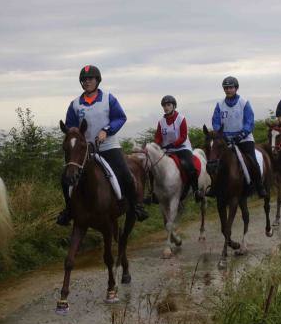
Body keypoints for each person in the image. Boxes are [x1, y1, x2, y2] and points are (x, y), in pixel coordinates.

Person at [57, 65, 149, 226]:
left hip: (109, 147)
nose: (87, 82)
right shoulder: (75, 104)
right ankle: (69, 210)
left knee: (125, 174)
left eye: (90, 79)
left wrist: (107, 130)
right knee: (65, 178)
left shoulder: (108, 99)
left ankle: (136, 206)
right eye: (84, 80)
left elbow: (120, 117)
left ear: (97, 80)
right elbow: (71, 128)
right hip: (85, 151)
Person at [211, 76, 266, 198]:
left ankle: (259, 186)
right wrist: (221, 134)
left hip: (244, 138)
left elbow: (249, 121)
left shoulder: (244, 103)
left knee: (252, 160)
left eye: (230, 87)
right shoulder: (219, 105)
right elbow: (215, 122)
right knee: (215, 161)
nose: (228, 90)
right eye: (226, 88)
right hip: (226, 140)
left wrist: (241, 135)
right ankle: (215, 187)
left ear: (236, 88)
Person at [154, 95, 201, 201]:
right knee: (153, 165)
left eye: (168, 105)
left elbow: (183, 136)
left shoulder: (181, 119)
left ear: (174, 106)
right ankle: (153, 193)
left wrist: (173, 144)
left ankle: (196, 191)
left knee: (189, 166)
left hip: (182, 148)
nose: (166, 107)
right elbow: (158, 137)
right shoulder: (161, 122)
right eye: (164, 105)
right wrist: (156, 145)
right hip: (167, 149)